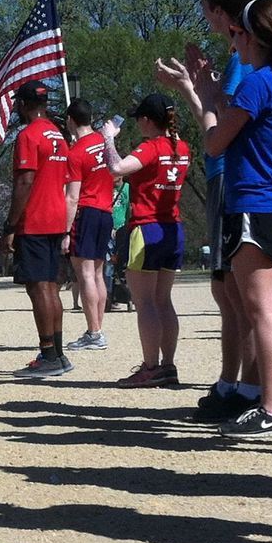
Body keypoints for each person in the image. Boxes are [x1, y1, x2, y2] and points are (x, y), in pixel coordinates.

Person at [167, 0, 272, 440]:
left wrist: (203, 104)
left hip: (252, 201)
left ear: (253, 38)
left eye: (237, 34)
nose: (232, 41)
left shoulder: (257, 84)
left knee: (263, 310)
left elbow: (216, 143)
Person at [161, 0, 261, 422]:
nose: (203, 15)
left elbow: (220, 128)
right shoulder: (241, 52)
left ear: (219, 11)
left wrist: (199, 90)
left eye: (204, 6)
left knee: (244, 293)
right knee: (228, 290)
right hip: (229, 174)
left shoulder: (247, 54)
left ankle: (250, 389)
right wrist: (193, 87)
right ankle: (232, 383)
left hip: (236, 177)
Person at [105, 93, 192, 386]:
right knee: (163, 300)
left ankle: (151, 367)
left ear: (146, 120)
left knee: (145, 303)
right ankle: (167, 364)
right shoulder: (182, 147)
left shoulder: (151, 147)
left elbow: (117, 168)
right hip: (173, 228)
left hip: (147, 227)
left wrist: (108, 139)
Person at [1, 83, 74, 377]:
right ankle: (57, 352)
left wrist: (10, 225)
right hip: (56, 217)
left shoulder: (28, 136)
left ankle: (48, 355)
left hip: (35, 219)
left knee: (38, 287)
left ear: (24, 104)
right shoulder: (59, 136)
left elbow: (24, 182)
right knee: (51, 286)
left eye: (18, 103)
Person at [61, 101, 113, 352]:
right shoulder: (105, 142)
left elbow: (72, 196)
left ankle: (94, 332)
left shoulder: (76, 152)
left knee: (85, 275)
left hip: (87, 211)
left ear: (70, 119)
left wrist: (64, 230)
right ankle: (97, 328)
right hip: (106, 211)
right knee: (98, 273)